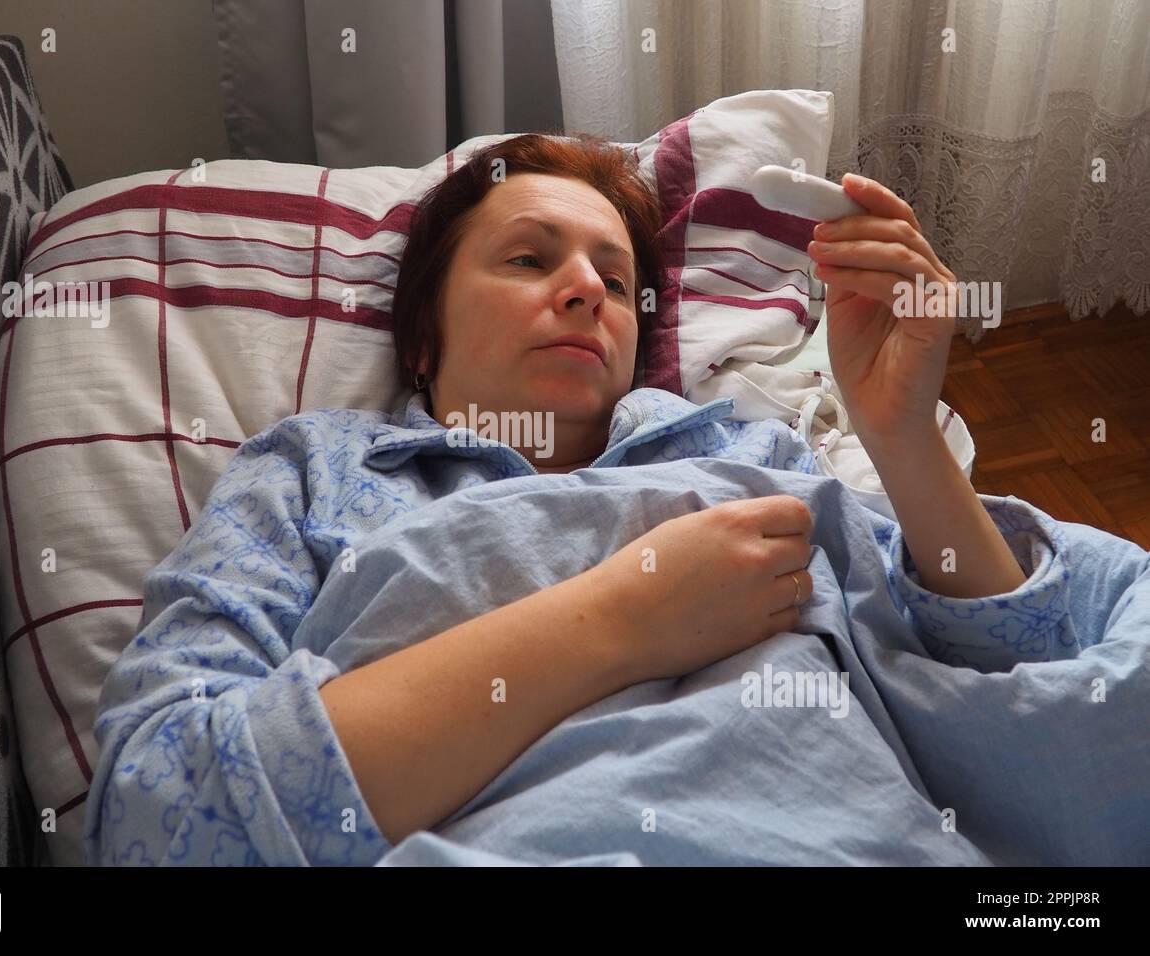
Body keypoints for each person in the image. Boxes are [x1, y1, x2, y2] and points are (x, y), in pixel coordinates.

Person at [82, 132, 1149, 866]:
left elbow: (1016, 678)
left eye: (611, 272)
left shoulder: (738, 445)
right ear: (421, 337)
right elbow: (156, 806)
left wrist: (903, 435)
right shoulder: (316, 473)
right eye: (528, 257)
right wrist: (622, 617)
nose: (587, 288)